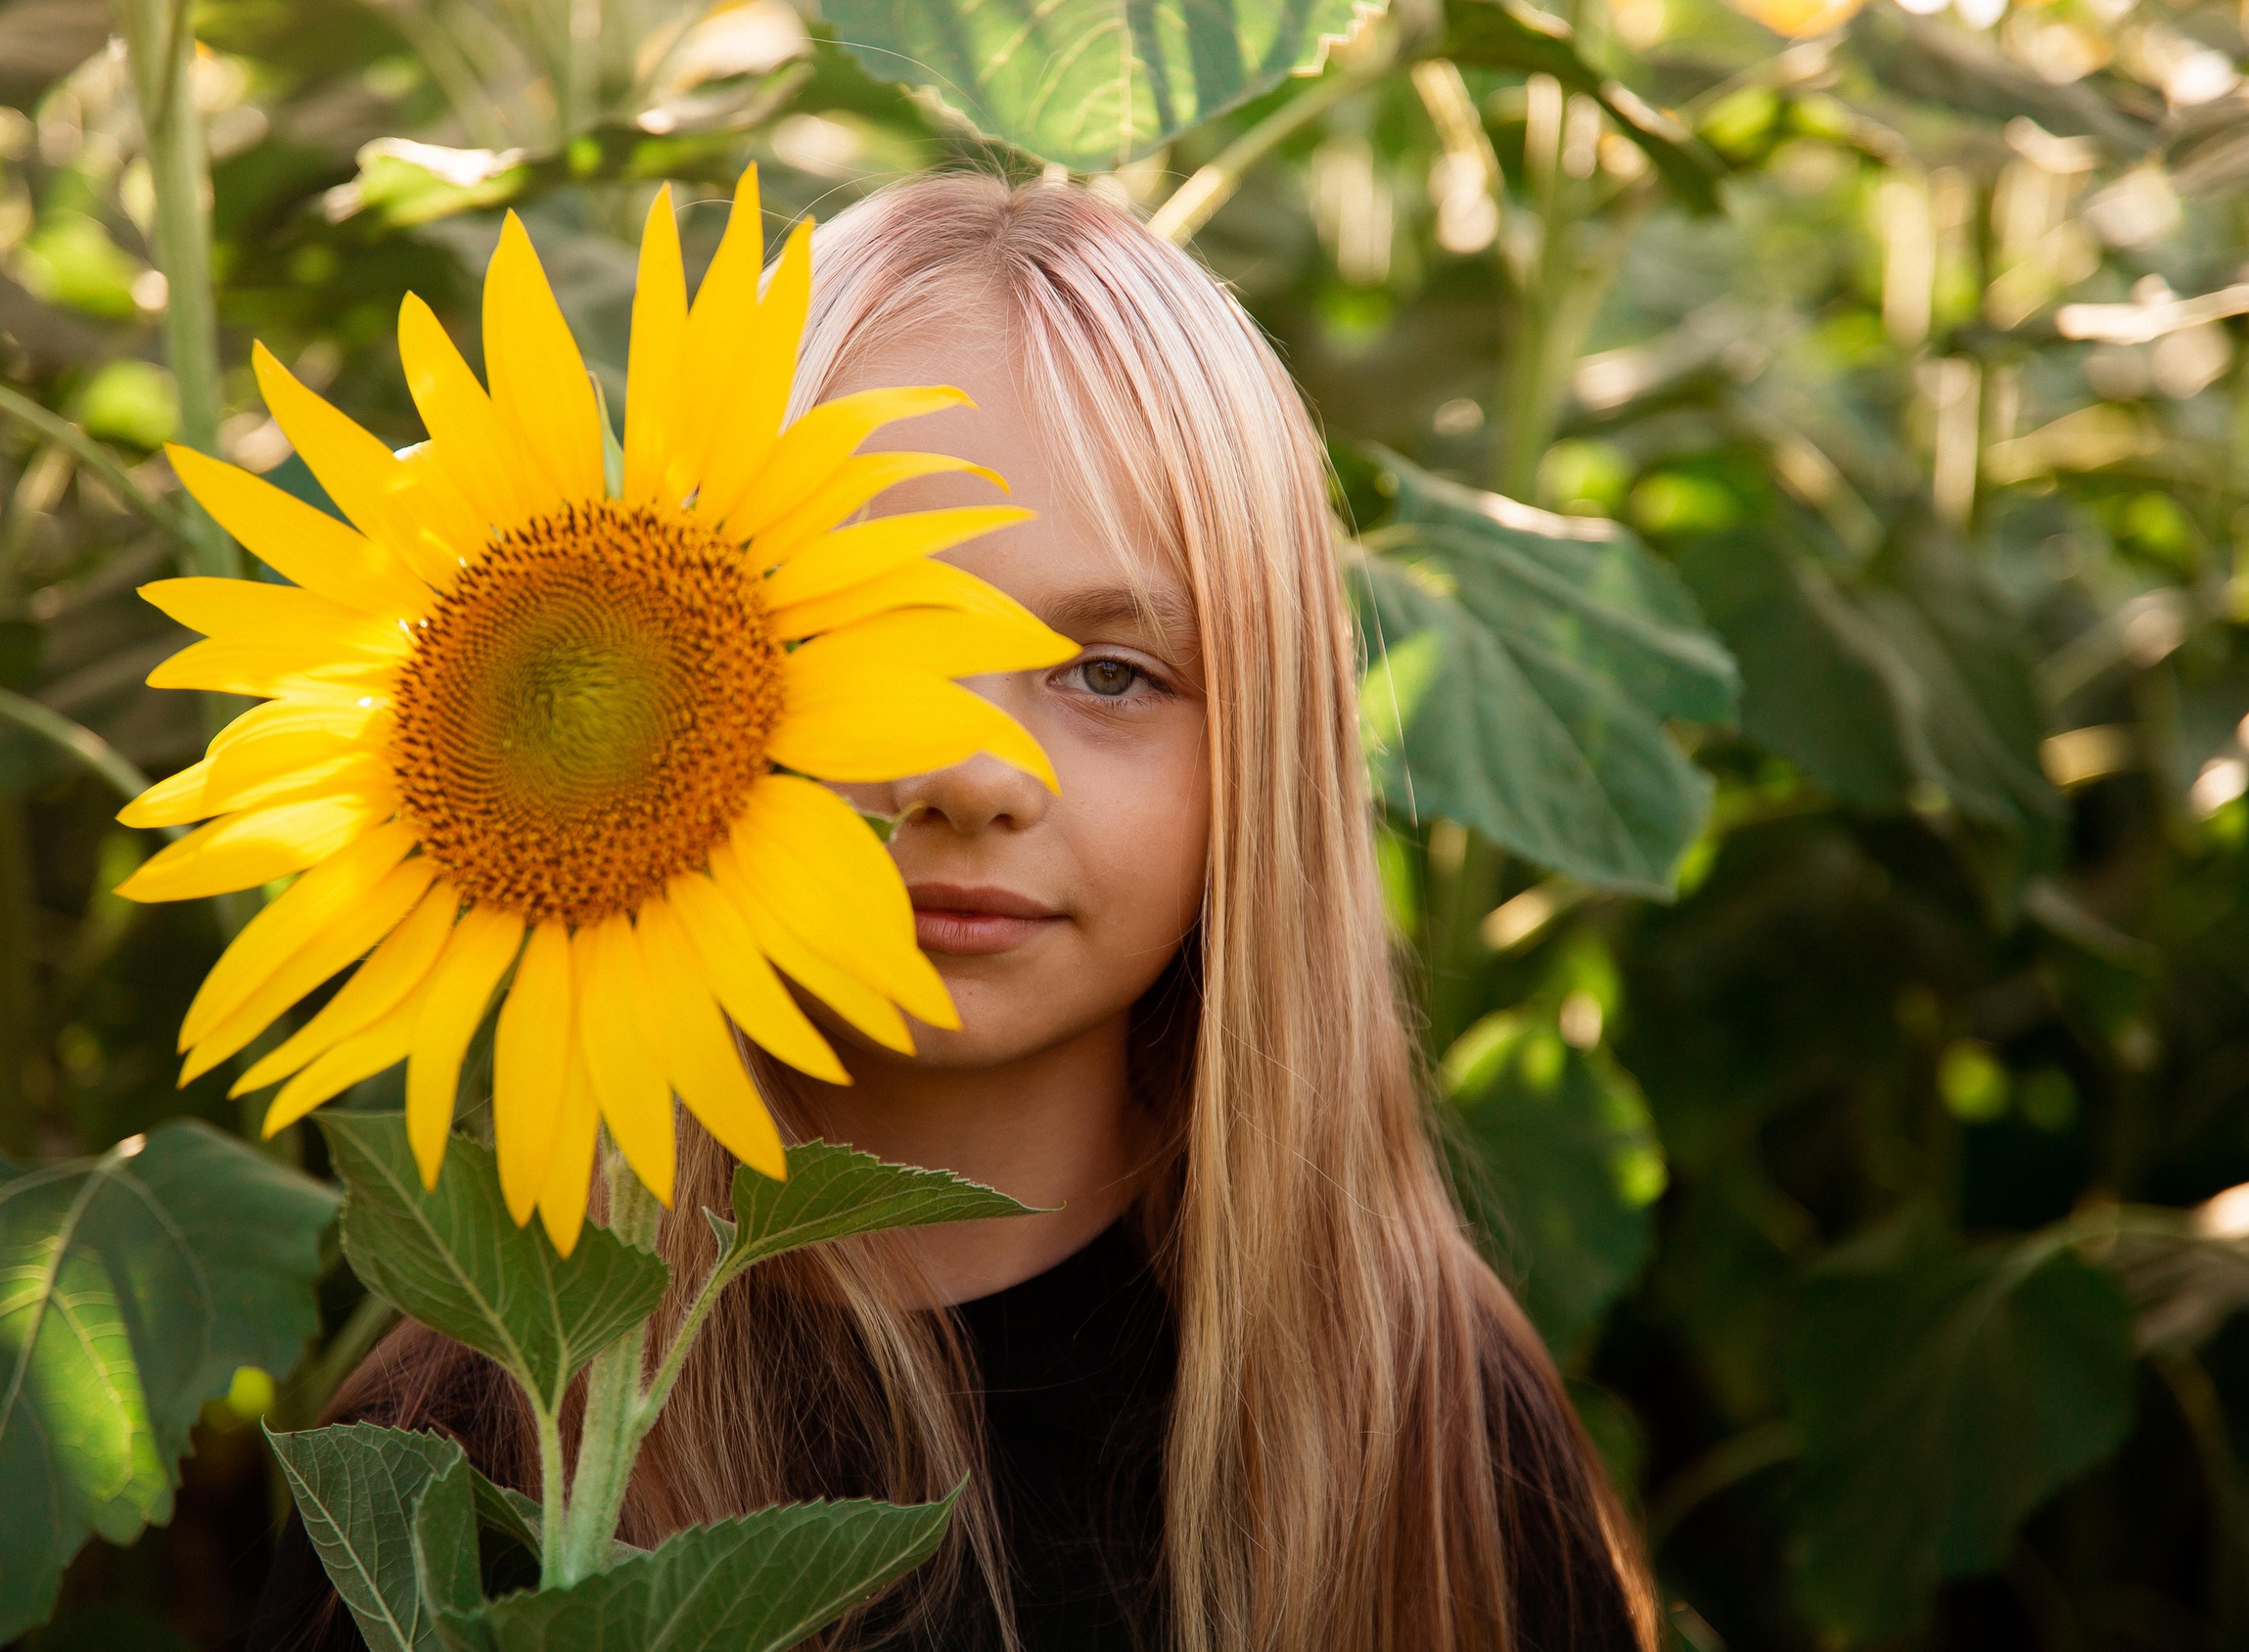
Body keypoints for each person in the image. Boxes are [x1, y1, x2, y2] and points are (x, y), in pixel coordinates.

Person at [248, 172, 1656, 1652]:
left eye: (1111, 673)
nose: (975, 774)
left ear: (1265, 755)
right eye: (865, 639)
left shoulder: (1420, 1423)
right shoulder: (467, 1458)